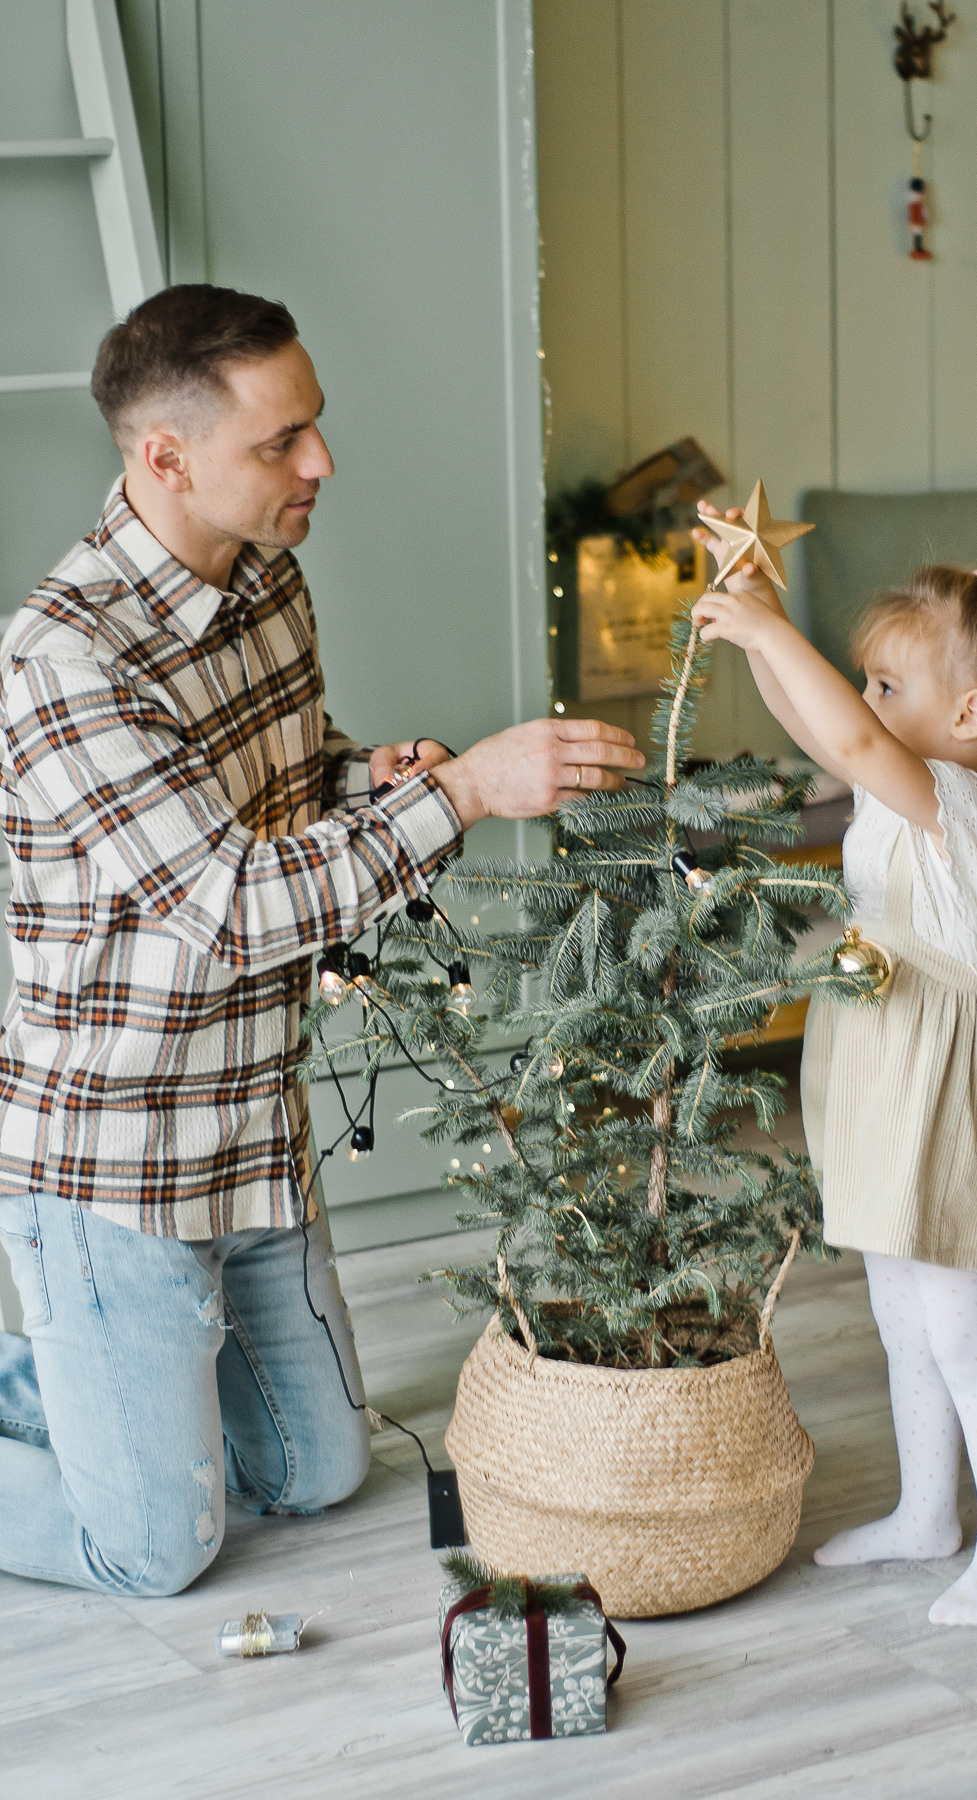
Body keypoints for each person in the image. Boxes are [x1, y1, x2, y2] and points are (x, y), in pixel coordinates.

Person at [0, 284, 643, 1596]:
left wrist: (375, 779)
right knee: (153, 1552)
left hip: (251, 1133)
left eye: (317, 427)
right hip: (115, 1164)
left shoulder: (268, 581)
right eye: (282, 441)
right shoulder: (66, 663)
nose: (322, 463)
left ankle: (100, 1376)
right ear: (164, 459)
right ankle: (88, 1348)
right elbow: (229, 909)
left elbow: (277, 786)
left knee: (314, 1472)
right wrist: (463, 794)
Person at [692, 528, 977, 1627]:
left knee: (960, 1332)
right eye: (868, 680)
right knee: (901, 1317)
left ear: (969, 718)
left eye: (888, 681)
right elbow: (823, 724)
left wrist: (769, 626)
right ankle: (925, 1515)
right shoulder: (909, 777)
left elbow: (853, 742)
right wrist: (757, 616)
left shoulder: (961, 803)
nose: (863, 701)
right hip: (880, 1052)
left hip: (944, 1076)